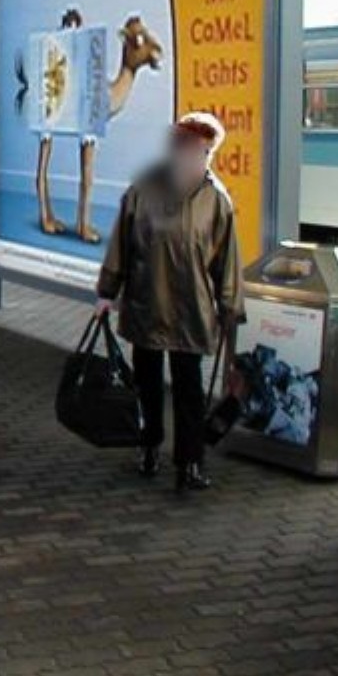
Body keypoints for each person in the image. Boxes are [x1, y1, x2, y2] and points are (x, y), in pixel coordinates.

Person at [95, 112, 244, 492]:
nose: (200, 158)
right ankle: (148, 447)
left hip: (192, 309)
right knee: (147, 383)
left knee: (189, 389)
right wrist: (107, 292)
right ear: (178, 148)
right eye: (194, 149)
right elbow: (121, 244)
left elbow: (227, 260)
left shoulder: (216, 199)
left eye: (206, 152)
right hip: (147, 303)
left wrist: (230, 308)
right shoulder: (144, 189)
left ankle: (189, 461)